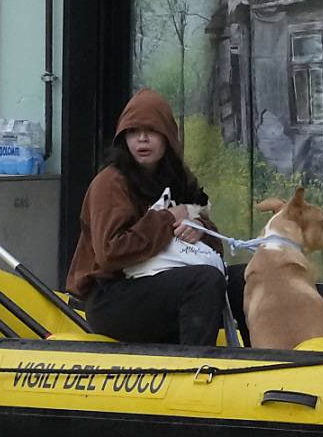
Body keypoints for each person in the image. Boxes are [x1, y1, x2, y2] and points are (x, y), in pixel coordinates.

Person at [65, 88, 247, 346]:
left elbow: (215, 250)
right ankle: (196, 368)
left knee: (245, 278)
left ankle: (261, 359)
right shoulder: (110, 182)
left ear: (167, 138)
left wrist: (199, 228)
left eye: (151, 132)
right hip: (113, 297)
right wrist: (167, 219)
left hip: (163, 282)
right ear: (123, 138)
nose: (142, 140)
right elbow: (110, 253)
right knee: (204, 282)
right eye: (133, 132)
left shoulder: (179, 178)